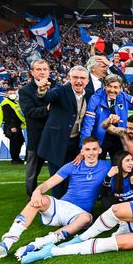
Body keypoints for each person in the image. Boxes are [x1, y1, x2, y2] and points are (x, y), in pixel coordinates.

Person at [0, 137, 111, 260]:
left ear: (100, 150)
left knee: (87, 218)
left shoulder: (107, 166)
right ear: (82, 151)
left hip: (79, 214)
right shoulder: (72, 165)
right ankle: (6, 243)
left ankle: (36, 245)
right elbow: (48, 184)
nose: (91, 153)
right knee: (39, 199)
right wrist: (36, 192)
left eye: (94, 149)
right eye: (87, 149)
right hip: (62, 206)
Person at [36, 66, 91, 198]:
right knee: (57, 178)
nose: (79, 81)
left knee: (72, 177)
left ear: (87, 81)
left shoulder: (89, 94)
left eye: (82, 78)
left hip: (75, 142)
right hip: (57, 142)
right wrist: (42, 90)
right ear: (69, 79)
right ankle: (57, 210)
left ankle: (69, 207)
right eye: (75, 77)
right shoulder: (61, 90)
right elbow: (47, 97)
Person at [81, 74, 133, 160]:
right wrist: (84, 145)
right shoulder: (95, 99)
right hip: (100, 138)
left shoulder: (123, 97)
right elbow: (88, 123)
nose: (112, 90)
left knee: (120, 166)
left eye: (116, 87)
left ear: (120, 88)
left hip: (119, 138)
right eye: (109, 86)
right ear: (104, 86)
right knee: (98, 166)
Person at [18, 59, 51, 197]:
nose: (42, 72)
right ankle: (31, 199)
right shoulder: (25, 91)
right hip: (36, 136)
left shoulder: (57, 87)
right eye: (38, 69)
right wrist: (47, 109)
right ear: (32, 72)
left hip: (55, 135)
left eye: (44, 69)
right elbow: (29, 112)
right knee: (32, 172)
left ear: (49, 71)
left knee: (60, 169)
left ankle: (62, 197)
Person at [0, 89, 26, 164]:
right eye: (10, 93)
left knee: (19, 141)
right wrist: (12, 127)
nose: (12, 94)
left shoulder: (14, 102)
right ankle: (15, 159)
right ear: (7, 95)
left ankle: (16, 158)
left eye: (14, 93)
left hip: (17, 125)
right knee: (15, 142)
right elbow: (8, 116)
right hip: (11, 126)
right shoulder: (6, 103)